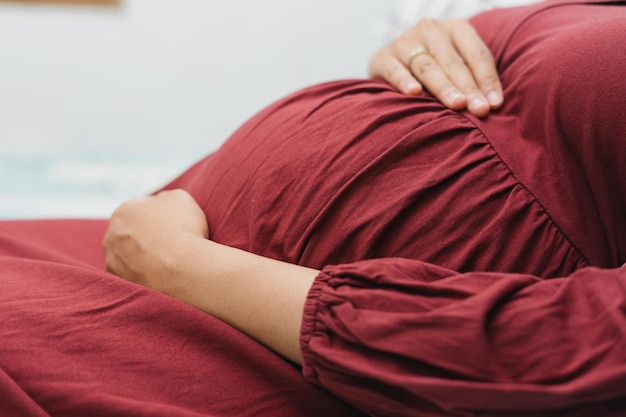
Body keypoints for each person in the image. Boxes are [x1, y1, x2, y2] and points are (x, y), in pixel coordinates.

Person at [101, 0, 626, 416]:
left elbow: (567, 346)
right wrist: (417, 56)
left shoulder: (176, 268)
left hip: (266, 340)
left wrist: (178, 264)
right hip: (154, 250)